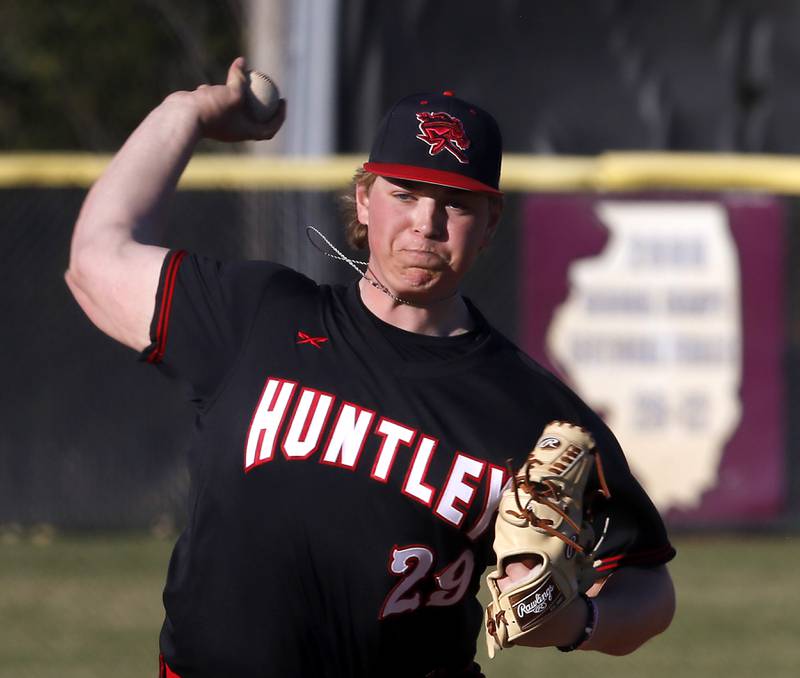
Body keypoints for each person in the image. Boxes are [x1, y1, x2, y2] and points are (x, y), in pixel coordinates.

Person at [66, 57, 676, 678]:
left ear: (491, 222)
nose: (425, 225)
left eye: (456, 204)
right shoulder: (256, 316)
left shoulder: (532, 410)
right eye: (404, 194)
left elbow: (649, 586)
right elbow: (95, 259)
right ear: (363, 200)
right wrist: (187, 112)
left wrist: (576, 623)